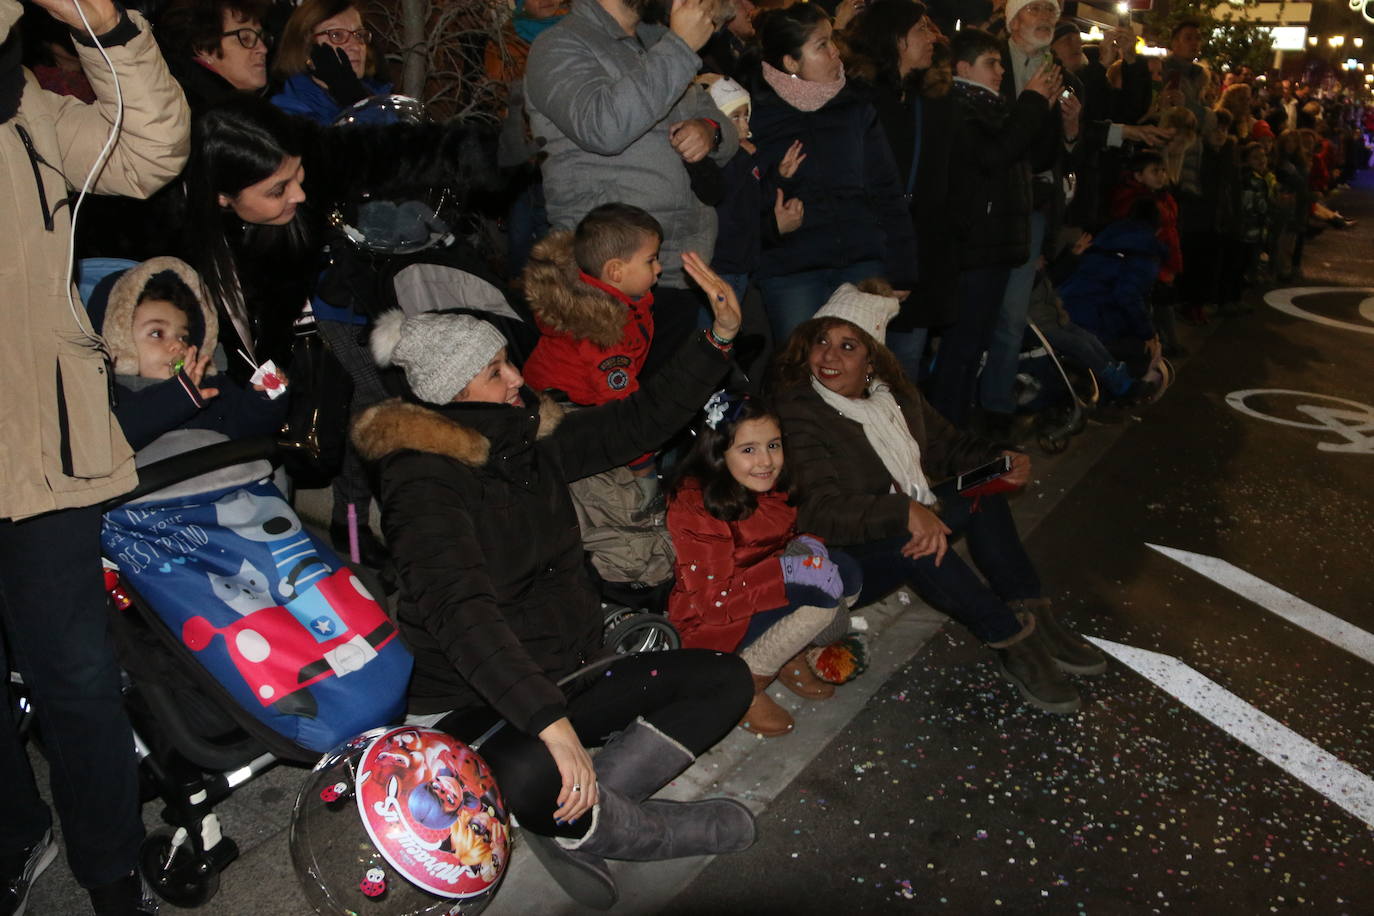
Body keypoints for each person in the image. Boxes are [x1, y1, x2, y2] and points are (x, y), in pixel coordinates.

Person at [351, 252, 754, 911]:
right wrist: (549, 724)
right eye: (496, 372)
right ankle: (633, 830)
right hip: (476, 696)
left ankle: (579, 812)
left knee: (724, 682)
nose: (518, 378)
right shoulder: (422, 481)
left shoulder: (527, 438)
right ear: (452, 392)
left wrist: (718, 339)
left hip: (571, 665)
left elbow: (638, 421)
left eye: (508, 362)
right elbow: (461, 611)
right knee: (527, 770)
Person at [1, 0, 189, 911]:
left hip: (36, 448)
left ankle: (112, 876)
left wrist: (106, 27)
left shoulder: (25, 108)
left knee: (75, 678)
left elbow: (152, 152)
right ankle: (13, 832)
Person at [771, 281, 1107, 714]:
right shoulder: (800, 409)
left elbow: (948, 446)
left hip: (900, 518)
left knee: (983, 491)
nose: (828, 357)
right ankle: (1011, 639)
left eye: (847, 346)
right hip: (847, 558)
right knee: (916, 542)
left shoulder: (895, 397)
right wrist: (905, 511)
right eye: (821, 341)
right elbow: (818, 511)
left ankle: (1036, 614)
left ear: (872, 359)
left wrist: (999, 458)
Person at [523, 0, 740, 380]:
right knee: (620, 421)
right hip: (608, 279)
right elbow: (603, 127)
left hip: (678, 267)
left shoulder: (659, 42)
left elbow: (730, 134)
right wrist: (679, 47)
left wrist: (710, 130)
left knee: (668, 413)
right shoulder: (559, 46)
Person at [666, 392, 862, 737]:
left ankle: (786, 652)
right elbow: (713, 604)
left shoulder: (766, 484)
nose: (766, 461)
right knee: (820, 603)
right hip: (712, 623)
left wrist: (805, 547)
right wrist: (788, 573)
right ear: (717, 452)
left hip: (753, 592)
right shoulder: (695, 505)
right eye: (748, 449)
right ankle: (747, 682)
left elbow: (773, 541)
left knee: (847, 572)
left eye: (773, 445)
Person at [746, 3, 917, 342]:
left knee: (861, 379)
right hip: (791, 272)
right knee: (800, 377)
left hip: (860, 264)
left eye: (832, 41)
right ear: (791, 62)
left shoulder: (855, 106)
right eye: (822, 45)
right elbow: (742, 197)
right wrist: (773, 217)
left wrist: (902, 269)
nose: (836, 52)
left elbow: (886, 189)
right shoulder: (755, 114)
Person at [928, 26, 1056, 429]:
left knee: (973, 343)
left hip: (994, 243)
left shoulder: (991, 104)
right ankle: (946, 431)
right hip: (976, 243)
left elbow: (1028, 155)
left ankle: (959, 426)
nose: (1000, 70)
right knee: (962, 345)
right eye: (991, 63)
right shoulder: (961, 104)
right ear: (963, 67)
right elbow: (994, 154)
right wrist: (1032, 103)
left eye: (1001, 62)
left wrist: (1053, 117)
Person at [841, 0, 952, 381]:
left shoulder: (929, 100)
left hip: (918, 254)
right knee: (858, 367)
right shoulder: (859, 99)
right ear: (894, 39)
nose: (932, 37)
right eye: (920, 29)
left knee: (904, 372)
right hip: (870, 255)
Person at [96, 257, 290, 451]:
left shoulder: (210, 388)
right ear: (119, 339)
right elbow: (117, 437)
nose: (177, 346)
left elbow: (247, 432)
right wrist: (179, 396)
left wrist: (263, 399)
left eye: (183, 337)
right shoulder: (110, 398)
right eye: (157, 333)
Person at [521, 203, 664, 408]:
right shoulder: (601, 332)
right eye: (650, 261)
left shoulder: (613, 300)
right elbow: (620, 406)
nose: (659, 268)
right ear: (616, 272)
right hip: (566, 410)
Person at [269, 0, 390, 124]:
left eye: (359, 35)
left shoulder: (382, 99)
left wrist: (359, 99)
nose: (355, 46)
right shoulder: (287, 115)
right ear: (305, 48)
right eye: (337, 35)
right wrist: (357, 105)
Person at [155, 0, 270, 111]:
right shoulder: (202, 115)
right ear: (203, 48)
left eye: (261, 37)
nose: (263, 49)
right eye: (245, 38)